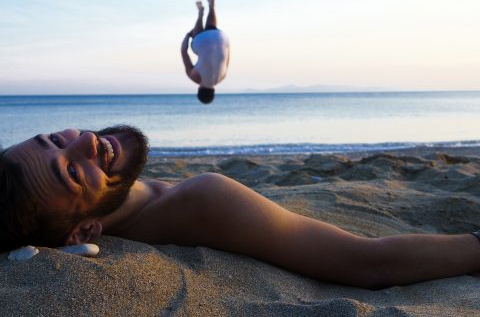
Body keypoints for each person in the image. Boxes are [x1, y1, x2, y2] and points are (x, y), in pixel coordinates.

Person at [1, 126, 480, 290]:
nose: (84, 138)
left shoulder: (99, 199)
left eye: (53, 139)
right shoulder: (204, 199)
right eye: (71, 171)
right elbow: (367, 263)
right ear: (83, 233)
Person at [181, 0, 230, 104]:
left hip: (222, 38)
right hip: (203, 41)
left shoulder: (222, 77)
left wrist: (226, 43)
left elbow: (227, 56)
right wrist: (188, 36)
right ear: (199, 90)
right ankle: (200, 14)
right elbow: (184, 52)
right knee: (197, 37)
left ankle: (212, 6)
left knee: (210, 29)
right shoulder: (195, 78)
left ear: (213, 91)